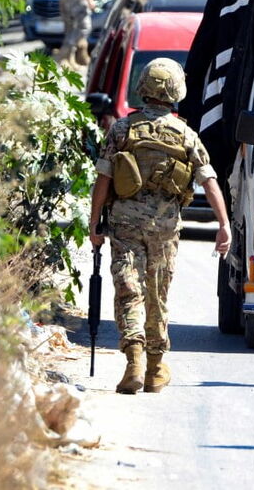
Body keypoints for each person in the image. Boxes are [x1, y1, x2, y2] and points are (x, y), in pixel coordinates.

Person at [89, 58, 232, 394]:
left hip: (125, 225)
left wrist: (94, 222)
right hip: (165, 228)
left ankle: (133, 362)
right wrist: (223, 224)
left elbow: (103, 179)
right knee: (157, 294)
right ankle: (155, 368)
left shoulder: (122, 130)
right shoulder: (186, 134)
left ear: (143, 88)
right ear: (175, 93)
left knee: (128, 290)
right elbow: (209, 181)